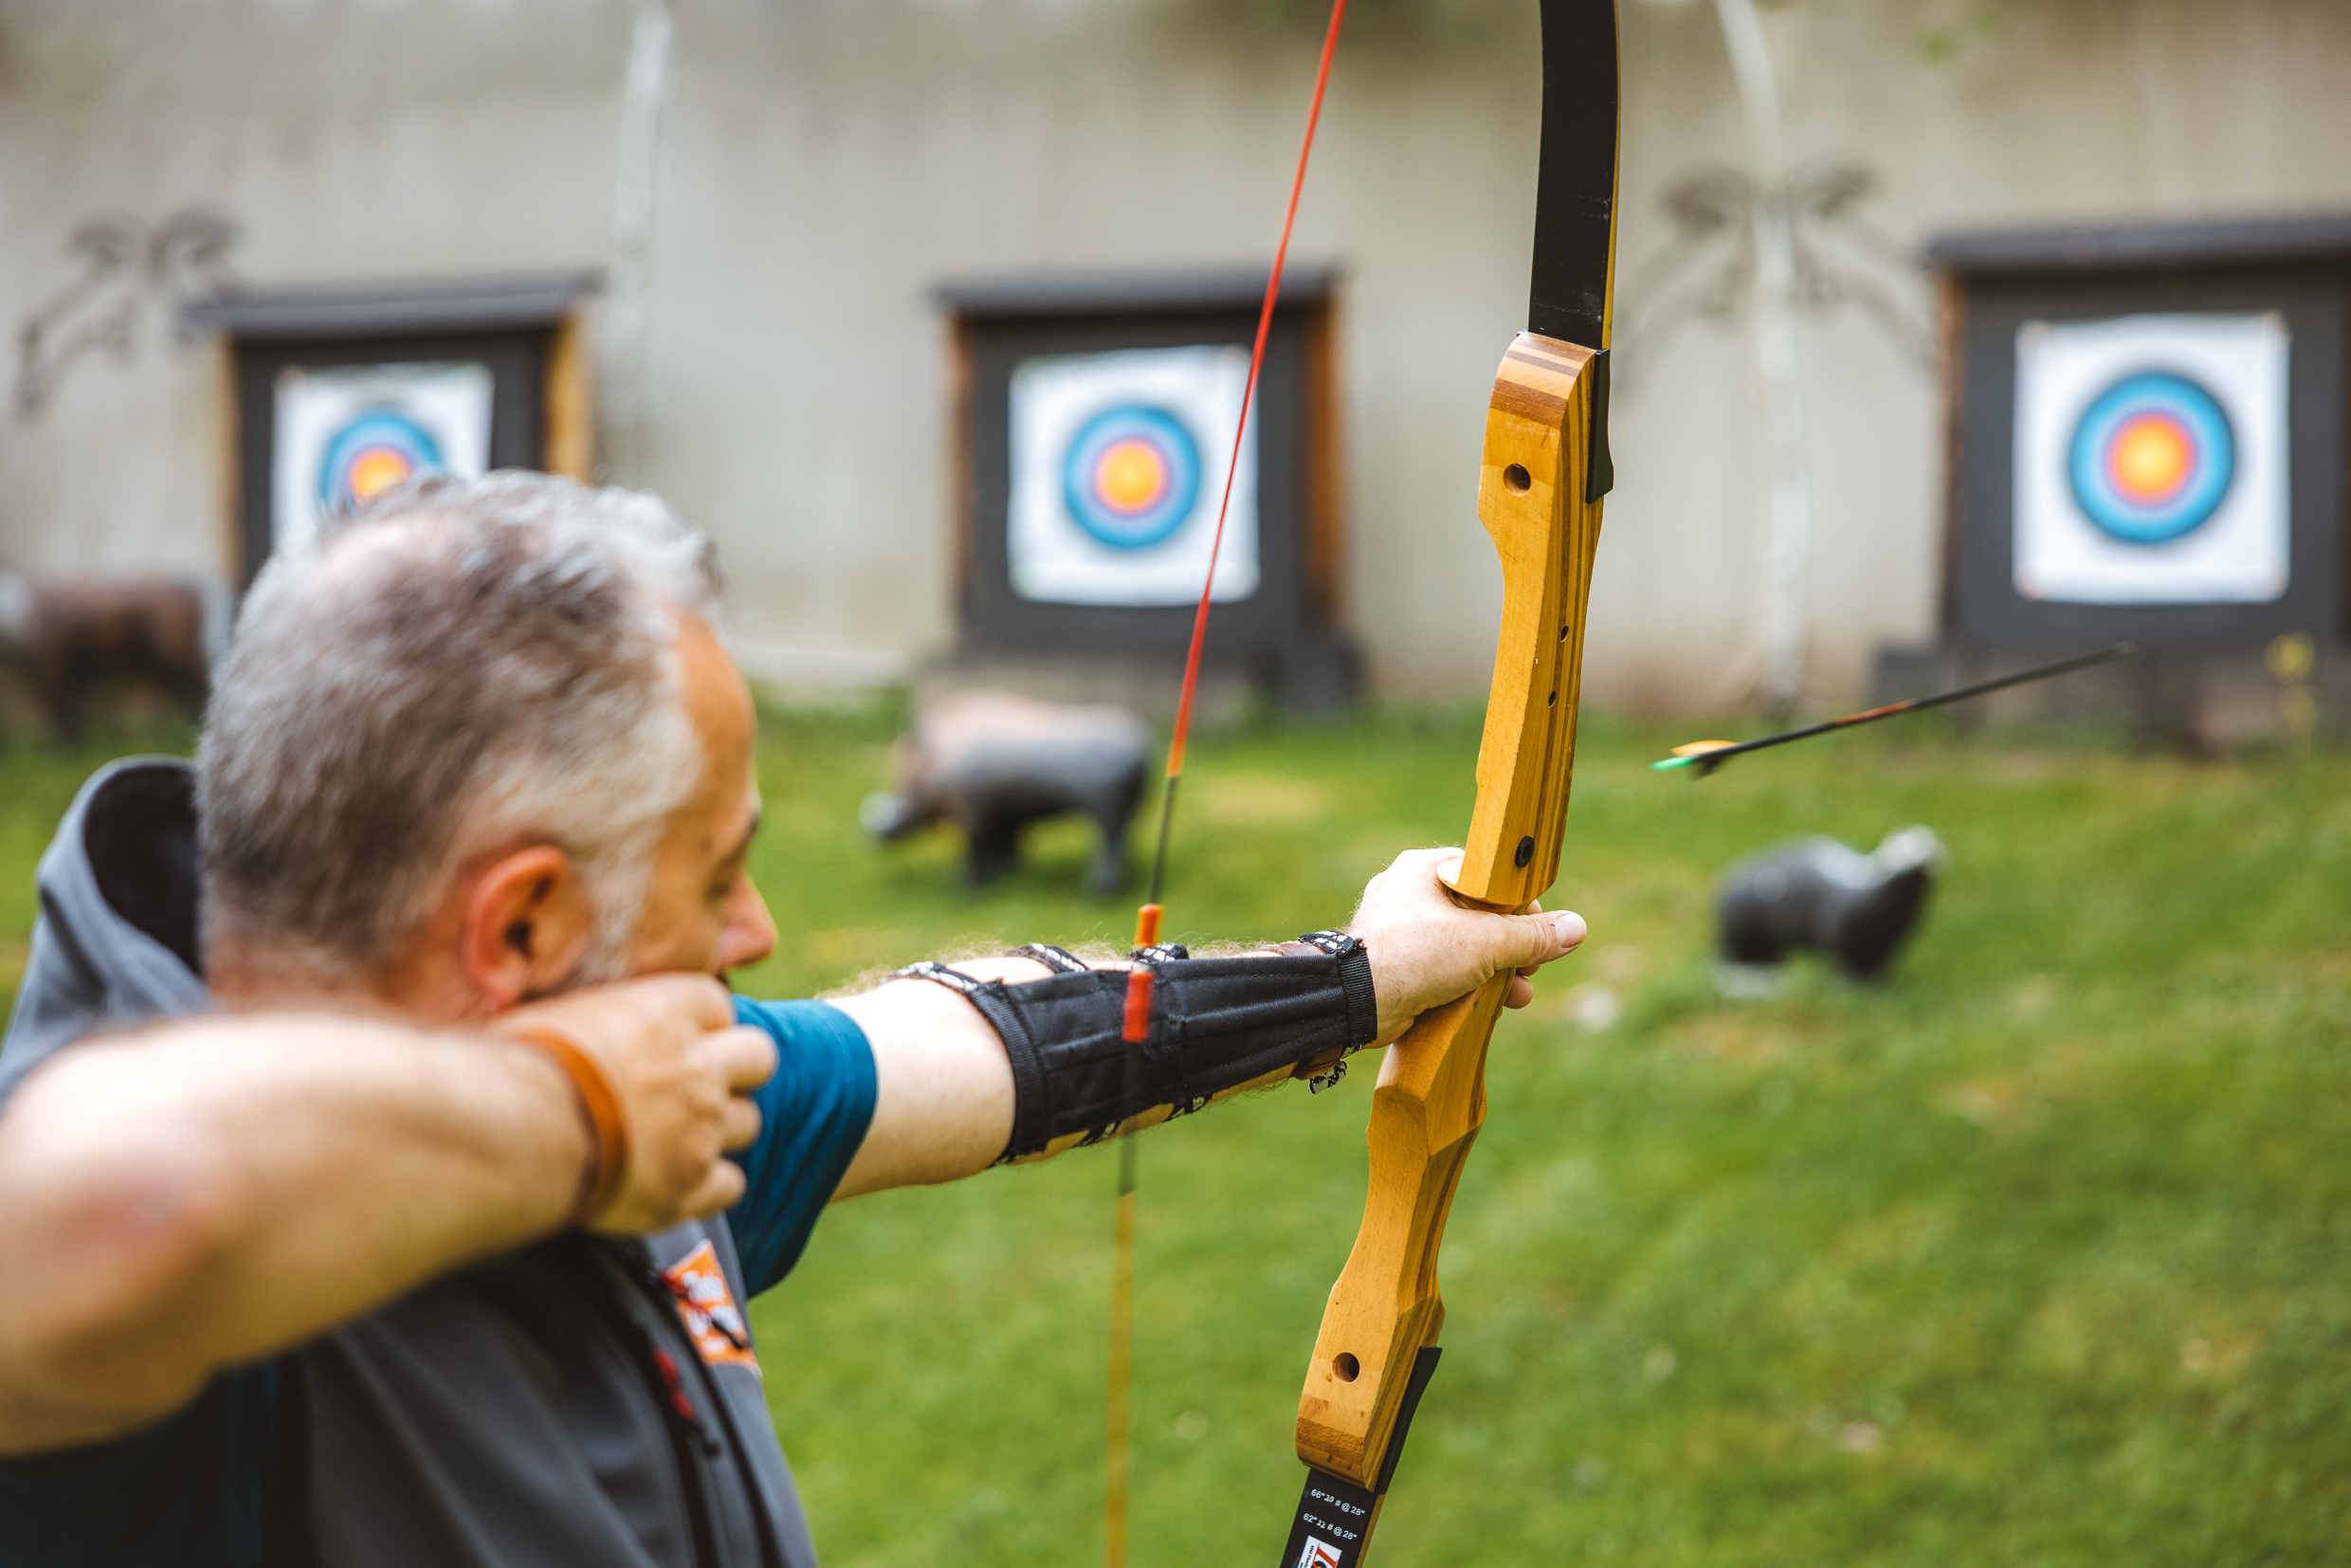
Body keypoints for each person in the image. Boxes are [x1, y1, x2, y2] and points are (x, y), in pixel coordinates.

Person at [0, 473, 1585, 1568]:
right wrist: (582, 1122)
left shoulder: (650, 1102)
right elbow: (131, 1206)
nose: (758, 932)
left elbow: (982, 1050)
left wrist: (1357, 974)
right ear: (525, 928)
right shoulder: (154, 1337)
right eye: (721, 871)